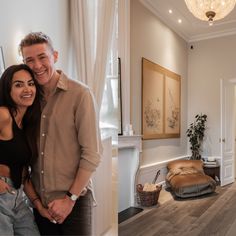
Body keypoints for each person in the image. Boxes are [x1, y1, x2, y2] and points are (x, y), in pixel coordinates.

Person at [19, 32, 102, 235]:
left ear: (54, 56)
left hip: (74, 202)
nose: (37, 66)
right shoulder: (28, 102)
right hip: (41, 207)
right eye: (29, 60)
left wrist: (69, 199)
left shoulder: (80, 95)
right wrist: (37, 204)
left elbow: (92, 154)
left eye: (42, 57)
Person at [0, 64, 49, 235]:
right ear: (8, 89)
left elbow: (23, 173)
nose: (27, 89)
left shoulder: (28, 123)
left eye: (31, 83)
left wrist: (38, 205)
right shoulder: (3, 114)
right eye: (19, 85)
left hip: (18, 196)